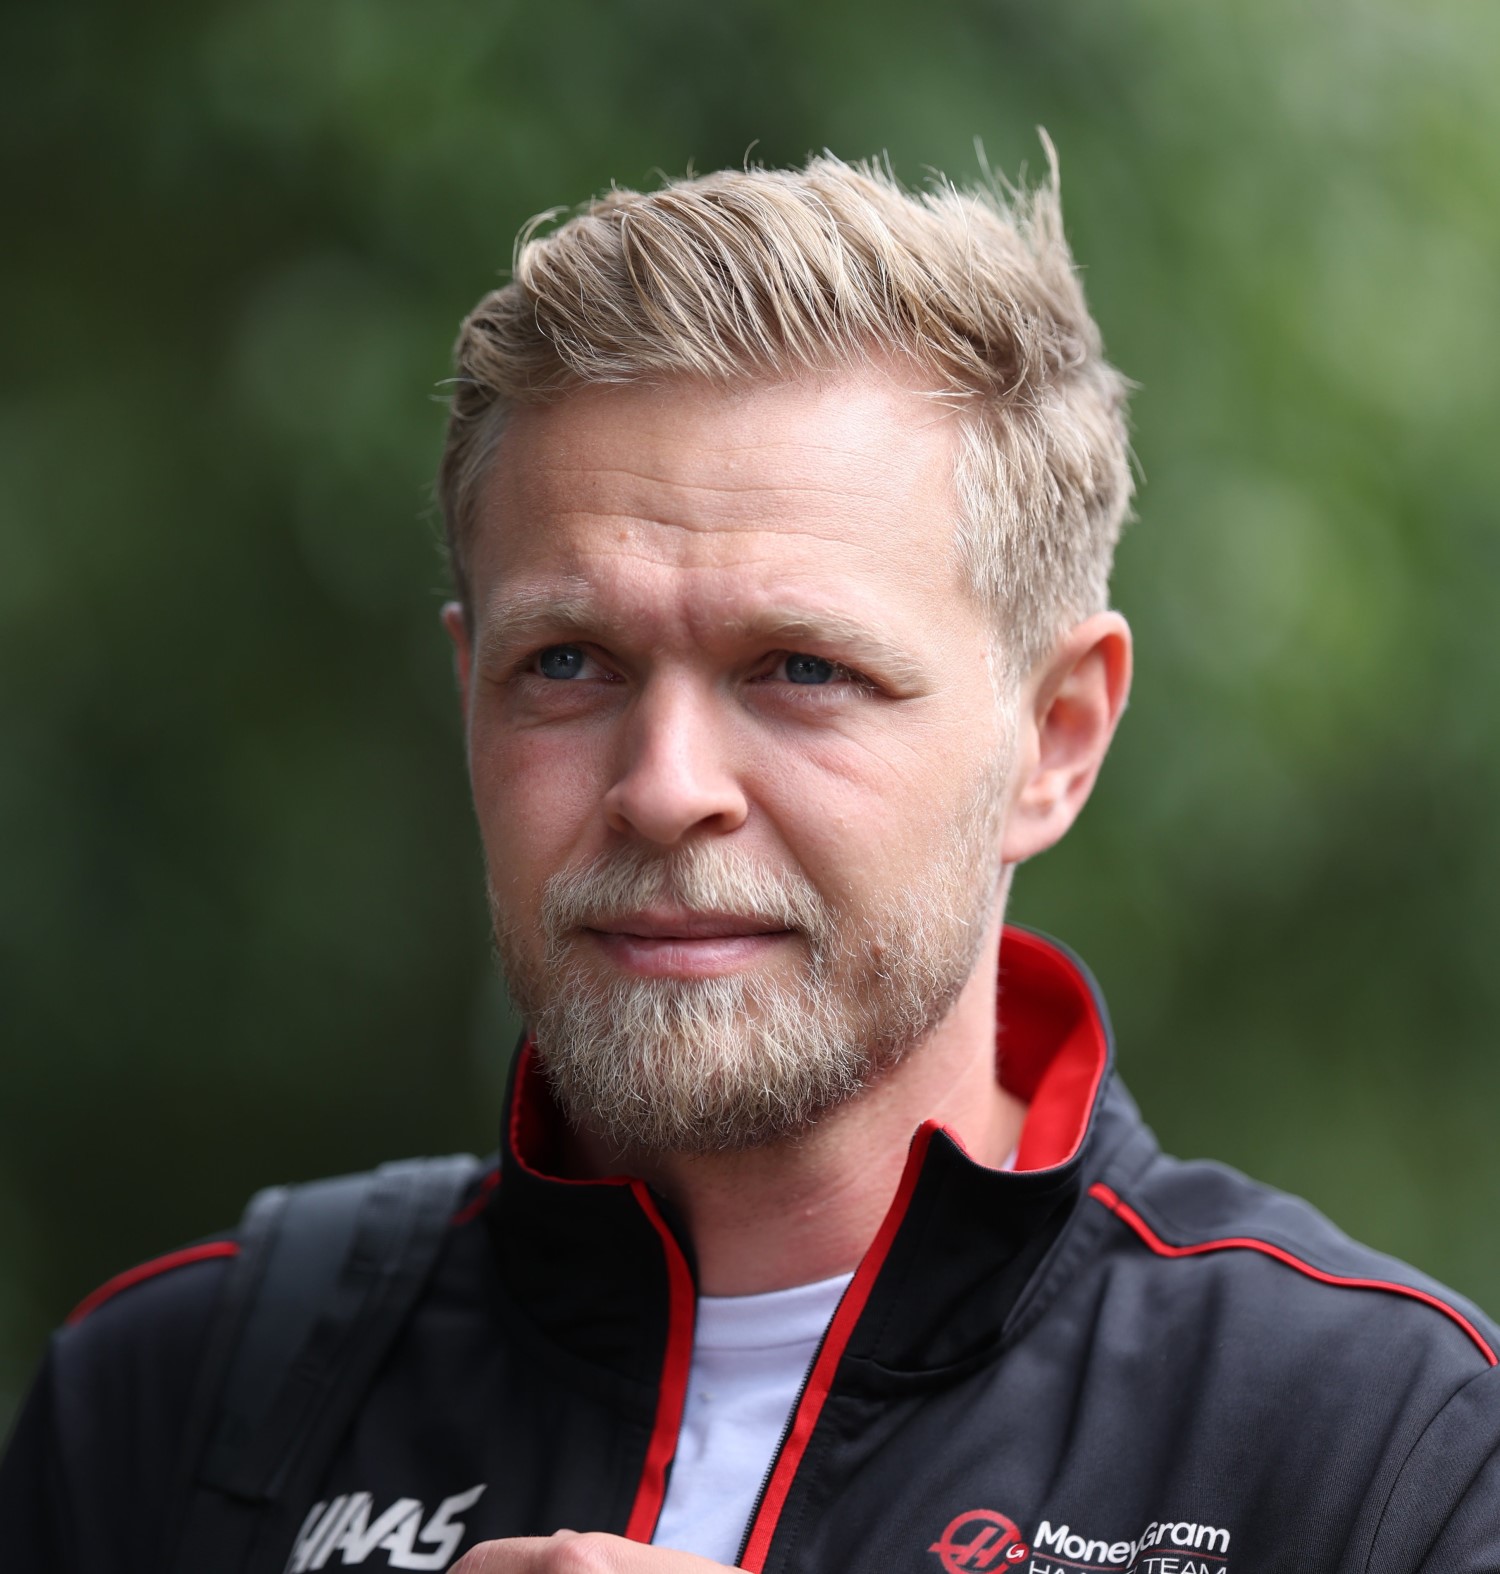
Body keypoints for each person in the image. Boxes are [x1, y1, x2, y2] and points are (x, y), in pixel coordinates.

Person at [4, 153, 1499, 1574]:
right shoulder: (173, 1403)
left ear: (1054, 736)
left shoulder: (1380, 1450)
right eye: (570, 661)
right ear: (469, 695)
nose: (664, 789)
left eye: (799, 667)